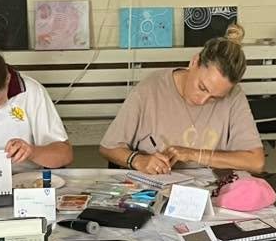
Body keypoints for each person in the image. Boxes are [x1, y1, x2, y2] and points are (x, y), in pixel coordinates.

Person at [98, 29, 265, 175]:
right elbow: (108, 148)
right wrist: (138, 160)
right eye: (202, 87)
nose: (203, 100)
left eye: (216, 97)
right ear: (194, 62)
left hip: (211, 191)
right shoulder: (151, 88)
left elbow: (256, 162)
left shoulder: (234, 96)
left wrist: (194, 154)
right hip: (155, 186)